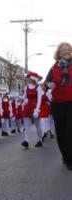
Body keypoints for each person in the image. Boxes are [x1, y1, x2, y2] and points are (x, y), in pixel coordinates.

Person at [45, 42, 72, 170]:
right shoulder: (54, 67)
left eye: (68, 50)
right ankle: (65, 156)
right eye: (63, 50)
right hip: (57, 103)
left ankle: (70, 159)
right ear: (59, 53)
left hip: (71, 101)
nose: (66, 52)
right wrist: (49, 85)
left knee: (69, 131)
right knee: (60, 131)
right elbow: (46, 82)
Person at [21, 71, 43, 148]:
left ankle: (40, 140)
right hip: (28, 107)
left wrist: (37, 109)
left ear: (32, 78)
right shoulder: (26, 87)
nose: (26, 78)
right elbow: (24, 97)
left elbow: (39, 99)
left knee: (38, 126)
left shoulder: (38, 87)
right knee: (27, 126)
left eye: (28, 77)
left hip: (35, 107)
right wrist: (18, 96)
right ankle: (26, 141)